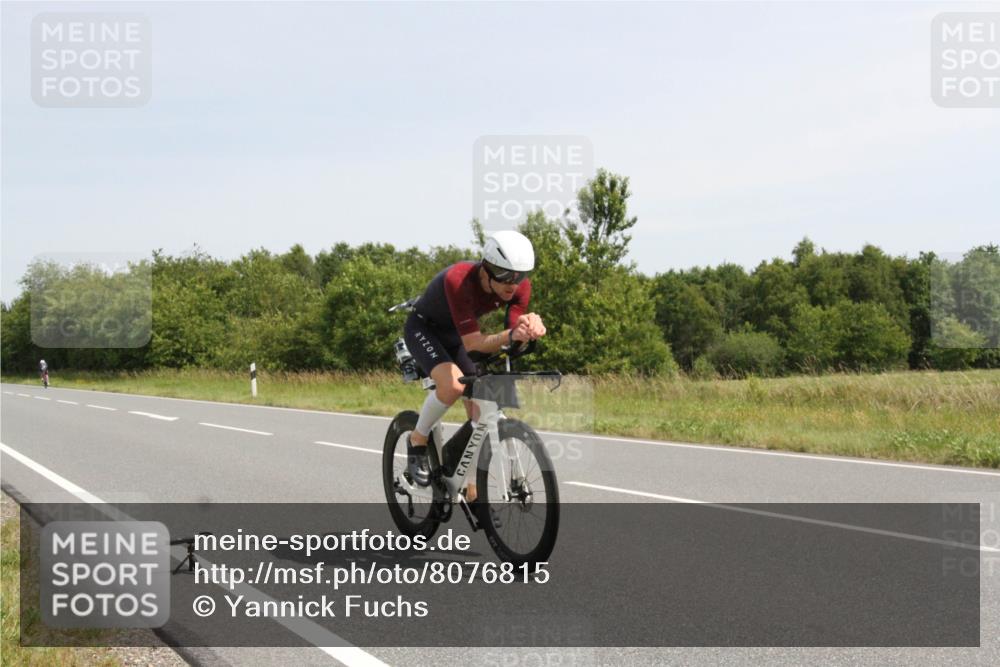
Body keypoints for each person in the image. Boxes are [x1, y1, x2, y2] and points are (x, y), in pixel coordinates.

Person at [403, 231, 546, 497]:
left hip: (457, 336)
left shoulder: (519, 287)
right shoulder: (460, 280)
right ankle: (418, 439)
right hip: (425, 329)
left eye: (520, 275)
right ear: (488, 268)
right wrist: (512, 334)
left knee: (481, 408)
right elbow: (474, 344)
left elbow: (511, 331)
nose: (512, 284)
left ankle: (470, 487)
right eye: (504, 275)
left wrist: (527, 328)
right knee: (454, 386)